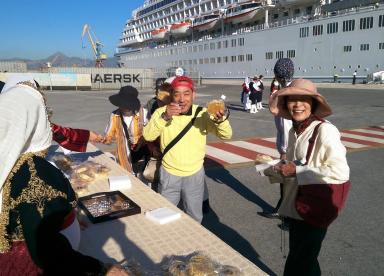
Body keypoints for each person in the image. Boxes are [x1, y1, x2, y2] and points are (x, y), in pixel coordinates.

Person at [0, 79, 128, 275]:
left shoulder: (7, 159)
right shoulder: (34, 172)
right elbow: (48, 250)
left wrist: (66, 217)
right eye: (44, 115)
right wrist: (102, 268)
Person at [268, 79, 350, 276]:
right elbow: (296, 165)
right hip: (297, 204)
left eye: (303, 99)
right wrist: (277, 169)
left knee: (301, 258)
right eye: (292, 100)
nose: (297, 105)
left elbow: (340, 172)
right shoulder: (294, 129)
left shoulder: (325, 130)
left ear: (313, 103)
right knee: (303, 256)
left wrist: (297, 171)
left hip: (316, 205)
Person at [143, 76, 232, 223]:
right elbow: (148, 135)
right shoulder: (161, 112)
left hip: (194, 174)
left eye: (186, 94)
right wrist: (165, 117)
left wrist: (220, 120)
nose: (181, 99)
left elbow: (226, 135)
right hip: (169, 173)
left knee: (194, 216)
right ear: (171, 95)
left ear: (193, 95)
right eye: (177, 94)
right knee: (166, 214)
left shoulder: (203, 113)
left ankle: (193, 243)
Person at [259, 58, 294, 219]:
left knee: (287, 181)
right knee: (290, 181)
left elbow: (286, 126)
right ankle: (285, 210)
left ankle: (285, 214)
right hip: (295, 144)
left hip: (289, 146)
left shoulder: (284, 95)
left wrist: (284, 152)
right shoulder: (293, 89)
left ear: (277, 75)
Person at [104, 86, 149, 176]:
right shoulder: (114, 115)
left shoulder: (144, 113)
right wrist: (99, 138)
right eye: (121, 103)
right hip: (123, 157)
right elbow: (109, 136)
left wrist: (140, 140)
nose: (123, 106)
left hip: (141, 156)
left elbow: (151, 135)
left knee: (143, 183)